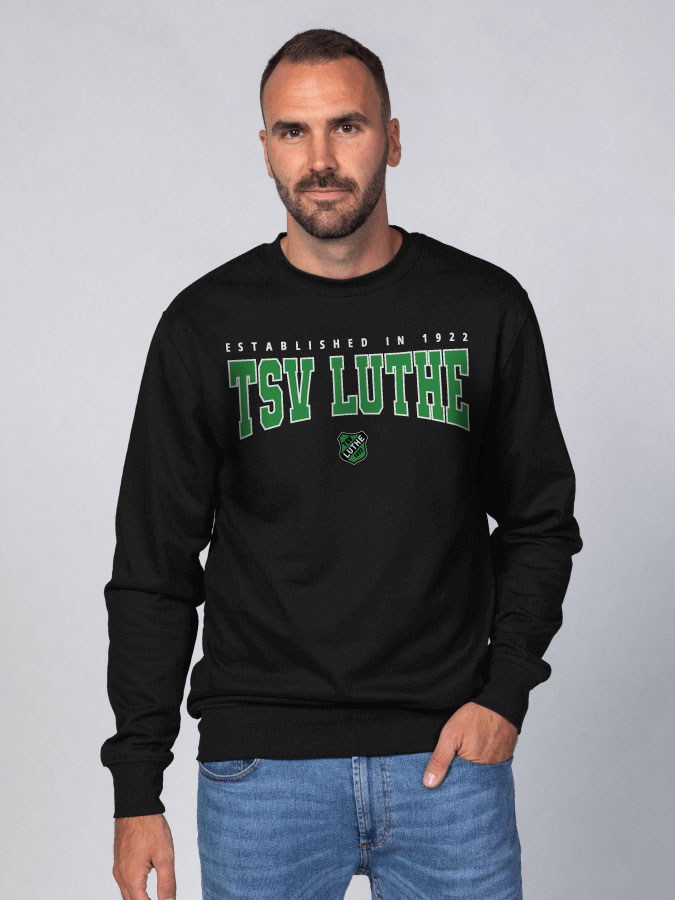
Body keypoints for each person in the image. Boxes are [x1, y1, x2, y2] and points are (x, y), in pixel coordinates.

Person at [102, 27, 583, 900]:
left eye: (347, 127)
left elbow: (539, 521)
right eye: (293, 131)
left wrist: (504, 693)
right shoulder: (204, 326)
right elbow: (153, 567)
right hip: (261, 771)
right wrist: (137, 786)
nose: (319, 159)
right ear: (265, 148)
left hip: (448, 761)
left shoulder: (483, 307)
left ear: (391, 139)